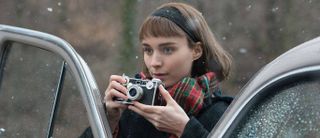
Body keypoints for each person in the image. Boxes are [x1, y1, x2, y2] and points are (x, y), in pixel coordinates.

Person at [80, 2, 233, 138]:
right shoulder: (133, 110)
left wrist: (185, 129)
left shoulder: (224, 114)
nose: (154, 63)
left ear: (196, 51)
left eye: (167, 50)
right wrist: (106, 121)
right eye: (148, 50)